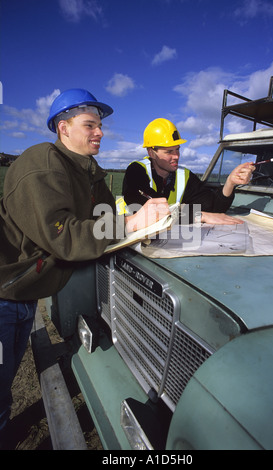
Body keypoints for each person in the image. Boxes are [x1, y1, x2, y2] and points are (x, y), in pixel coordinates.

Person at [0, 89, 169, 448]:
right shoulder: (42, 164)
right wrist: (131, 225)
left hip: (24, 293)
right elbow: (63, 236)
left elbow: (105, 220)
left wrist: (142, 223)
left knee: (7, 376)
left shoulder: (90, 172)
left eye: (101, 125)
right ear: (63, 128)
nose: (100, 132)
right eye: (90, 124)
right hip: (3, 293)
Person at [122, 118, 255, 224]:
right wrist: (200, 216)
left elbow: (214, 209)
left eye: (177, 149)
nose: (176, 156)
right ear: (151, 152)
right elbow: (153, 212)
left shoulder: (184, 176)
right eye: (169, 151)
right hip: (122, 237)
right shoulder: (136, 171)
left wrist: (230, 183)